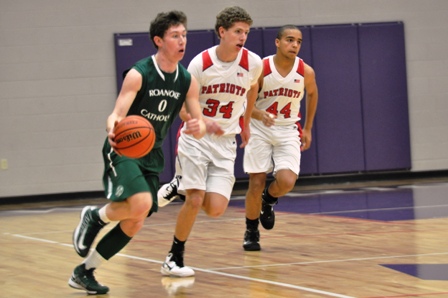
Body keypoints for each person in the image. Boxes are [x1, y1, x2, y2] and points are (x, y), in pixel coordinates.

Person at [68, 11, 219, 295]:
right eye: (175, 35)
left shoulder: (187, 80)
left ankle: (84, 271)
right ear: (159, 40)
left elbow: (195, 124)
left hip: (151, 155)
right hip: (124, 148)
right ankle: (94, 217)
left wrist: (199, 125)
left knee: (136, 219)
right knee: (140, 202)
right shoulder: (140, 73)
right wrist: (113, 127)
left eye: (184, 35)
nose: (182, 40)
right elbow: (116, 114)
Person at [158, 6, 263, 277]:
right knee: (195, 199)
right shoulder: (199, 64)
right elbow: (182, 109)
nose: (243, 37)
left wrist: (246, 122)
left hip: (225, 141)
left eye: (246, 32)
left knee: (215, 209)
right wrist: (202, 122)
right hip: (196, 138)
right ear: (222, 32)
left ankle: (180, 185)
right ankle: (174, 257)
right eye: (238, 31)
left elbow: (252, 89)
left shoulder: (253, 63)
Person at [242, 25, 318, 251]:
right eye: (289, 40)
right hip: (259, 128)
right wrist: (258, 113)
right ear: (277, 42)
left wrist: (308, 128)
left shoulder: (306, 71)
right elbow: (245, 103)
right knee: (256, 182)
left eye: (298, 41)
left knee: (286, 181)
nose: (294, 45)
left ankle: (269, 200)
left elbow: (313, 94)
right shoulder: (261, 69)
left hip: (287, 129)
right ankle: (251, 230)